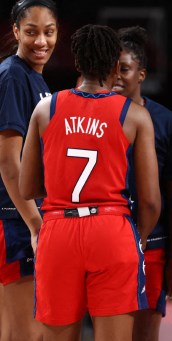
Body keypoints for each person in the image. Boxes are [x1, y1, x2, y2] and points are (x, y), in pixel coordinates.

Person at [18, 24, 160, 340]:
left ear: (77, 63)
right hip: (112, 230)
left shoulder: (46, 107)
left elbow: (27, 188)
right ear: (113, 66)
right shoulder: (135, 115)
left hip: (58, 231)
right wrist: (142, 236)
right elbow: (150, 200)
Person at [113, 26, 172, 341]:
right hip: (105, 245)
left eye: (125, 69)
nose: (115, 76)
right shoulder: (92, 116)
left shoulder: (166, 122)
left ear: (142, 74)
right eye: (109, 69)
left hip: (152, 248)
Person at [0, 0, 57, 339]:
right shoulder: (13, 77)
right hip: (14, 220)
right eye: (32, 32)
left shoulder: (35, 80)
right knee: (20, 332)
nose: (41, 42)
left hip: (23, 217)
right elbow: (9, 162)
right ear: (16, 31)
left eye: (48, 32)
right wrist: (36, 225)